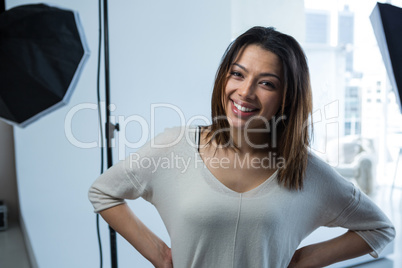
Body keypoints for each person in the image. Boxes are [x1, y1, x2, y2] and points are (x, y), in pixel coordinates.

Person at [88, 27, 395, 268]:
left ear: (287, 97)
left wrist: (305, 260)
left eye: (267, 83)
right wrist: (159, 255)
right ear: (225, 77)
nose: (245, 92)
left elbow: (379, 228)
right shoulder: (175, 147)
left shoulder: (305, 172)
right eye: (238, 74)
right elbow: (103, 191)